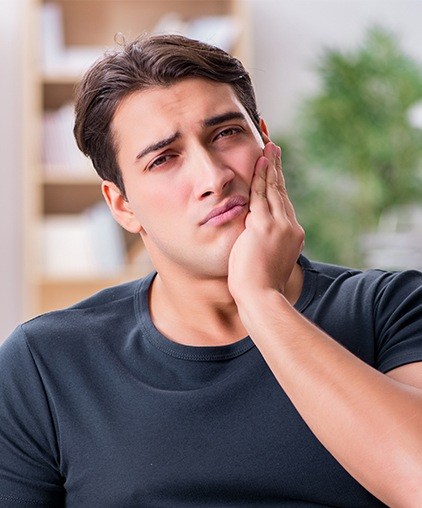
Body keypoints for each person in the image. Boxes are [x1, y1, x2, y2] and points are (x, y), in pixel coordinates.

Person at [0, 34, 421, 508]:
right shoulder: (43, 365)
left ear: (267, 144)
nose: (213, 176)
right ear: (122, 206)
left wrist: (261, 300)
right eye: (163, 159)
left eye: (226, 134)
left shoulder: (393, 309)